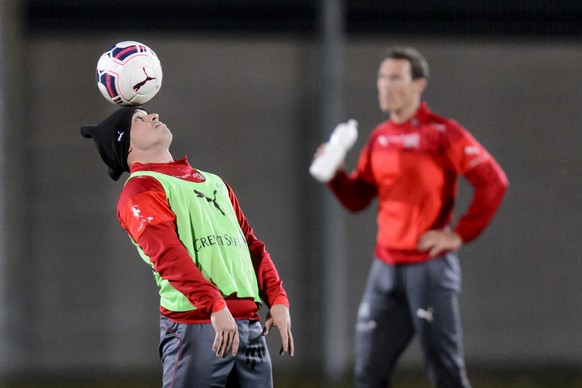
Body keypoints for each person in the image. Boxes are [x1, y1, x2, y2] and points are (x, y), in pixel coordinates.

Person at [313, 46, 508, 387]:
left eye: (395, 78)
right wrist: (336, 176)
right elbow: (358, 199)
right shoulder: (379, 138)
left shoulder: (442, 133)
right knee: (368, 373)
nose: (385, 86)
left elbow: (493, 181)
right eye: (382, 78)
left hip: (428, 269)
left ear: (419, 85)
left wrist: (459, 233)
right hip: (385, 270)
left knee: (445, 370)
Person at [80, 107, 294, 388]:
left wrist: (277, 298)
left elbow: (251, 245)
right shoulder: (141, 189)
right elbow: (168, 256)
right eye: (139, 120)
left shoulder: (214, 182)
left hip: (248, 326)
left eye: (148, 114)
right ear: (126, 145)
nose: (153, 116)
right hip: (198, 325)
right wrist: (214, 305)